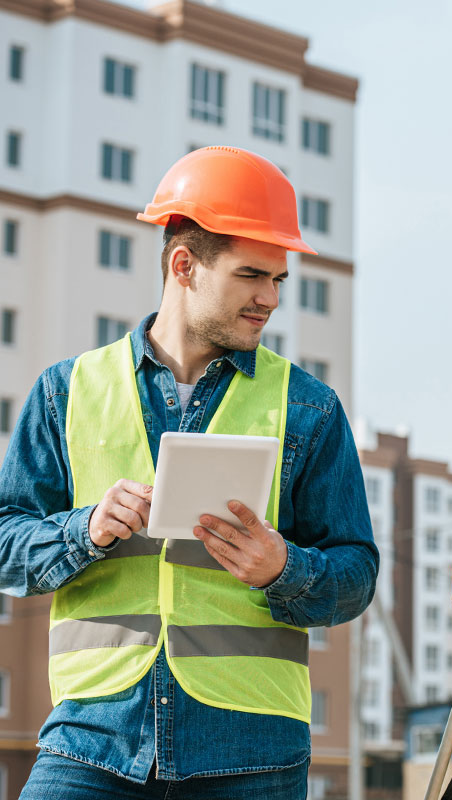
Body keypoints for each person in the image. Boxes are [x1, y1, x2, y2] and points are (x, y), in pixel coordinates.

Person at [0, 146, 378, 799]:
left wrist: (284, 568)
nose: (270, 299)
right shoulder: (67, 391)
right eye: (252, 276)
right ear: (184, 265)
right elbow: (6, 544)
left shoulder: (309, 408)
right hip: (92, 740)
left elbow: (356, 573)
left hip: (251, 750)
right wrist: (84, 529)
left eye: (279, 281)